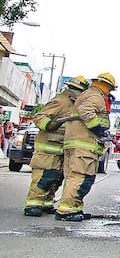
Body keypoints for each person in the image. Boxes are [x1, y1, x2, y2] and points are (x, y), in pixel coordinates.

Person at [23, 76, 91, 216]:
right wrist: (50, 125)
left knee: (55, 177)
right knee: (43, 177)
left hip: (60, 148)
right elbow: (40, 117)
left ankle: (46, 203)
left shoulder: (75, 104)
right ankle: (33, 204)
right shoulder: (61, 100)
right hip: (48, 148)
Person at [55, 72, 117, 222]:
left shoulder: (87, 94)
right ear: (107, 86)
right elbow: (86, 112)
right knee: (80, 178)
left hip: (75, 144)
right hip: (84, 146)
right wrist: (98, 130)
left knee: (74, 178)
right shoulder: (96, 97)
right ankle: (66, 211)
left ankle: (74, 208)